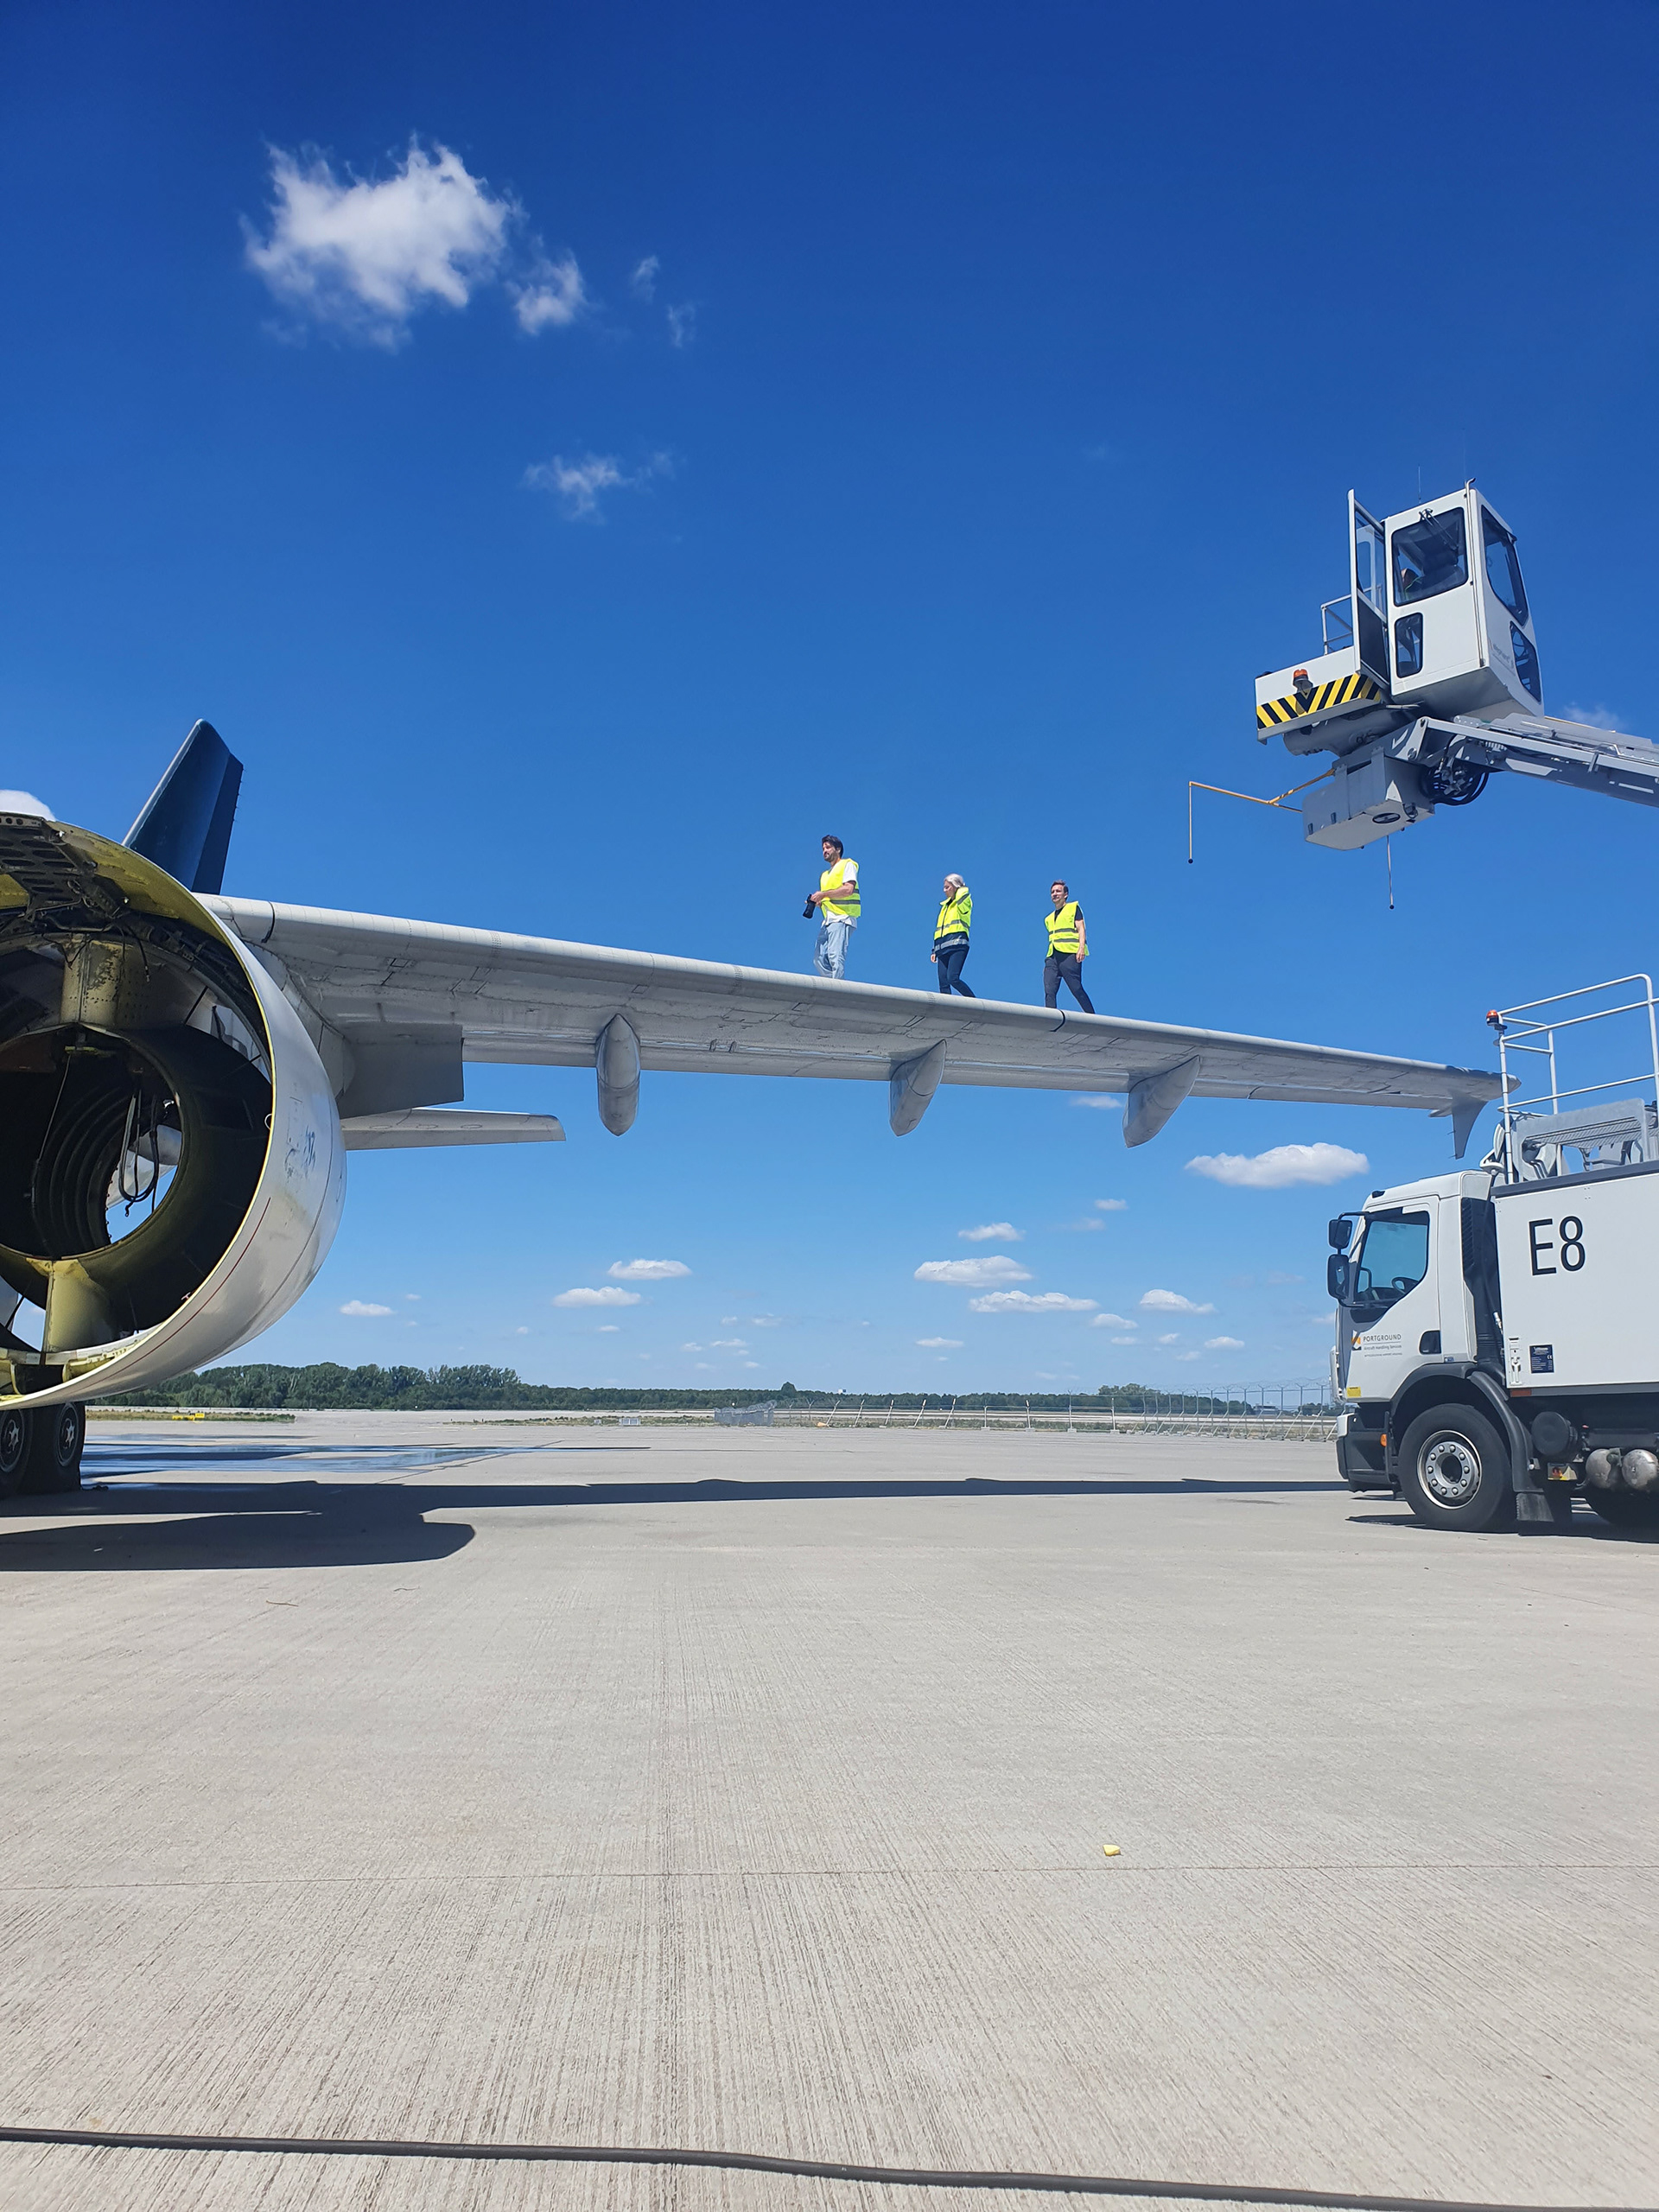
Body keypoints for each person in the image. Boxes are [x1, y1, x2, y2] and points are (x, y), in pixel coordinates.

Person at [807, 835, 860, 980]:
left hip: (842, 918)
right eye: (823, 848)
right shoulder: (824, 875)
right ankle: (833, 984)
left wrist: (823, 894)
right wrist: (818, 902)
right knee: (819, 958)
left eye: (828, 847)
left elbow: (848, 889)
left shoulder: (848, 864)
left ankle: (838, 987)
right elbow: (830, 898)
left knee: (835, 955)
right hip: (828, 921)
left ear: (838, 849)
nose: (825, 851)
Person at [1043, 880, 1095, 1012]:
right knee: (1049, 989)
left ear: (1065, 894)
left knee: (1076, 988)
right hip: (1052, 956)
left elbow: (1081, 928)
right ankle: (1050, 1019)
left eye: (1058, 891)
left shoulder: (1073, 908)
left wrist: (1081, 948)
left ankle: (1092, 1017)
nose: (1055, 894)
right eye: (1052, 892)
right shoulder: (1048, 918)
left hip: (1069, 954)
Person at [931, 873, 975, 995]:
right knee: (943, 983)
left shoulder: (963, 901)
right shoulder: (945, 907)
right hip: (942, 948)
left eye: (947, 887)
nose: (944, 890)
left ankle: (974, 1002)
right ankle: (946, 1007)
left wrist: (961, 889)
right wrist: (934, 950)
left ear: (955, 887)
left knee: (953, 978)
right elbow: (940, 930)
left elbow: (963, 903)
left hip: (957, 945)